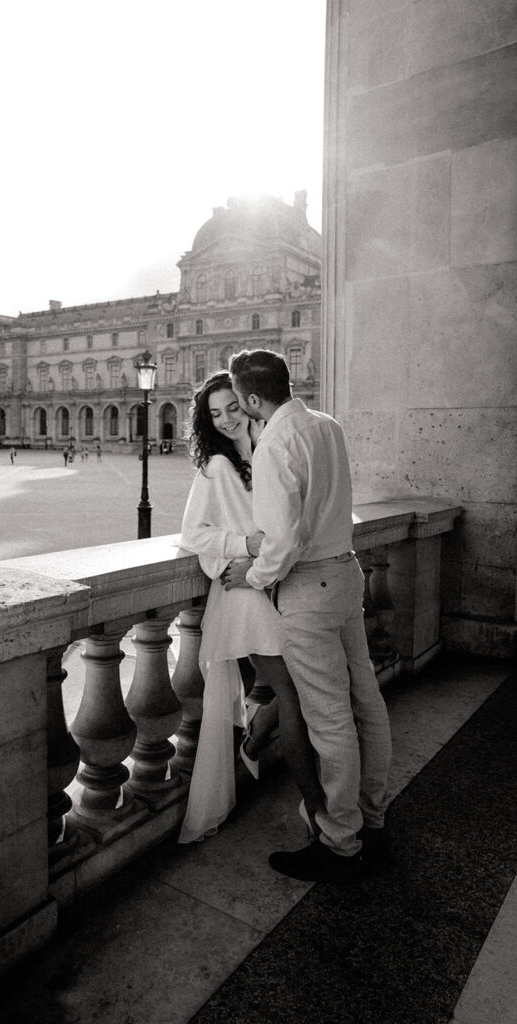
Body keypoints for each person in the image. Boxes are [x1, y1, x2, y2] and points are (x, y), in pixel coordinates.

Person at [224, 349, 392, 884]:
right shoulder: (326, 424)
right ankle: (372, 814)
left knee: (328, 718)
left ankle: (340, 842)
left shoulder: (274, 442)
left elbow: (282, 541)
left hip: (310, 588)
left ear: (252, 398)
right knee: (365, 698)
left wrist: (249, 576)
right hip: (346, 572)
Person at [178, 371, 325, 844]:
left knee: (297, 689)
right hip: (241, 593)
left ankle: (257, 738)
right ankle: (319, 813)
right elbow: (192, 533)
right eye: (214, 414)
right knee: (296, 692)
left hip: (272, 586)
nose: (224, 420)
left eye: (232, 409)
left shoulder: (263, 452)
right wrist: (246, 542)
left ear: (249, 403)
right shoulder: (216, 467)